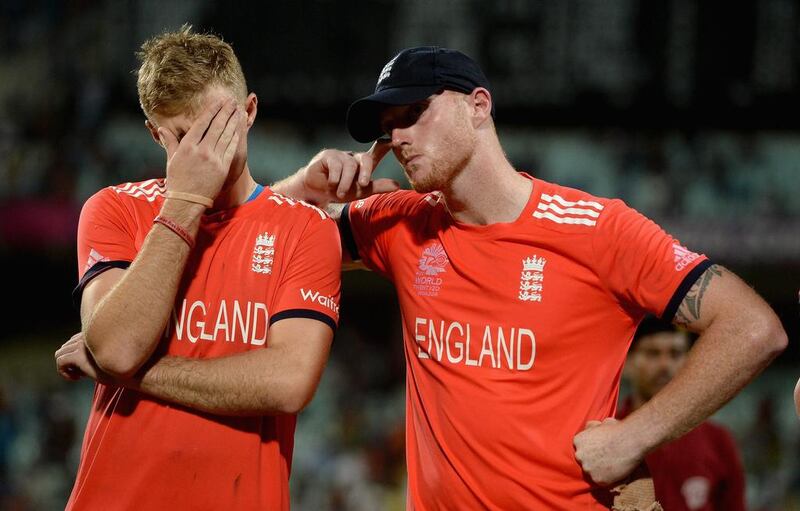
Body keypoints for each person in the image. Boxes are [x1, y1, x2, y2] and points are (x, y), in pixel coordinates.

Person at [273, 46, 788, 509]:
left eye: (415, 113)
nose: (400, 137)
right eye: (390, 126)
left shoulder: (598, 230)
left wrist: (636, 437)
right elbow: (267, 243)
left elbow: (753, 328)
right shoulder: (400, 222)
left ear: (478, 105)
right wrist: (305, 182)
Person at [54, 26, 341, 510]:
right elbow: (120, 348)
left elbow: (288, 383)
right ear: (154, 133)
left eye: (217, 129)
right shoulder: (114, 209)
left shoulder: (306, 229)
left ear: (248, 112)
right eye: (185, 139)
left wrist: (129, 374)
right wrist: (186, 198)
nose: (205, 153)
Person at [618, 318, 746, 510]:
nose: (665, 365)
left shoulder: (717, 441)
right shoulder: (607, 435)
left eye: (675, 353)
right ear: (627, 362)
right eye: (652, 353)